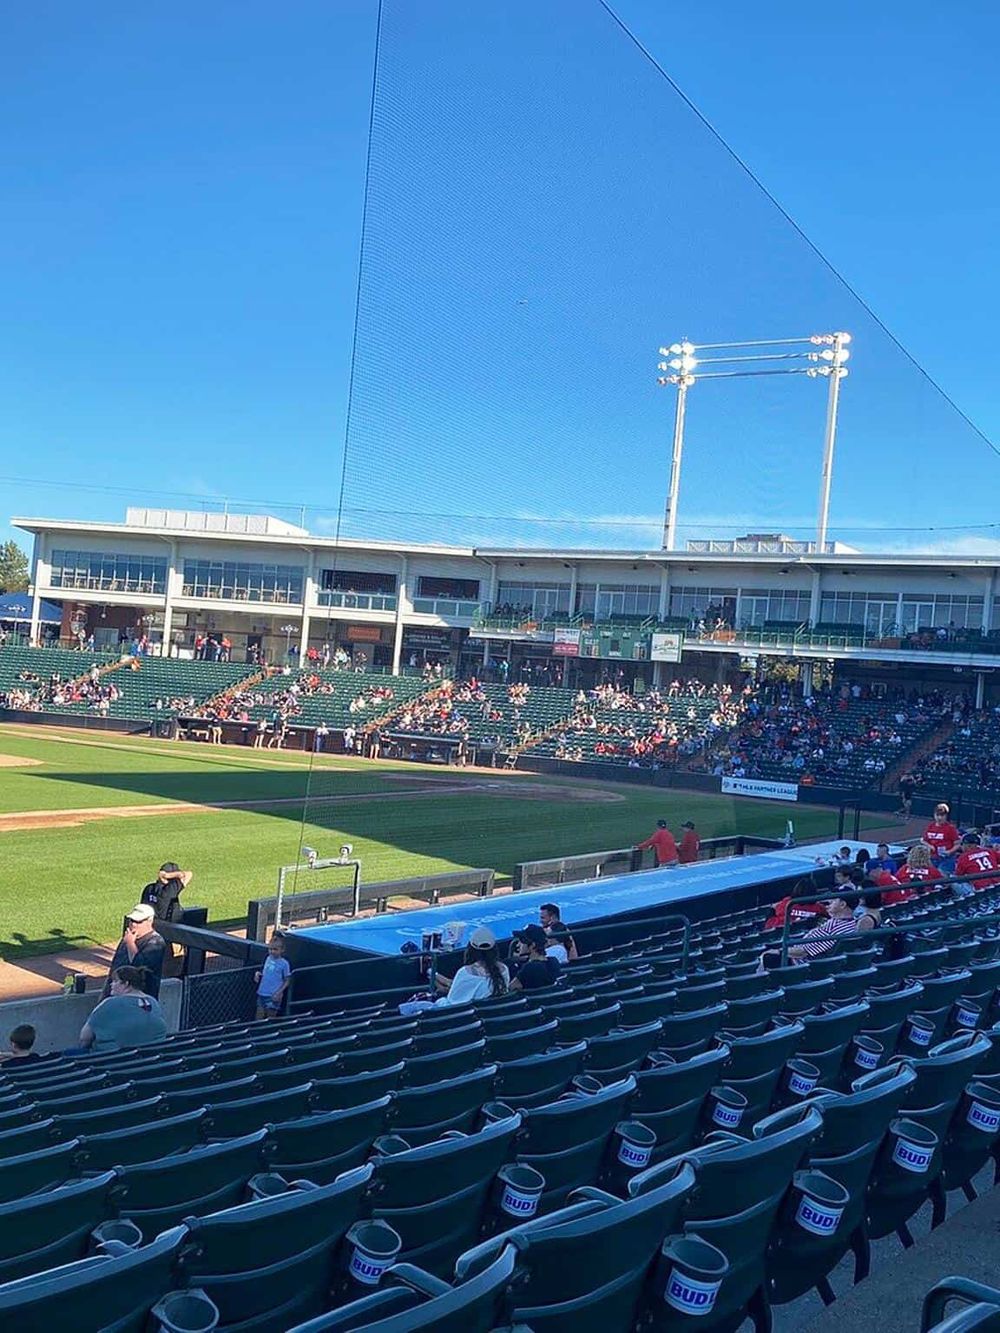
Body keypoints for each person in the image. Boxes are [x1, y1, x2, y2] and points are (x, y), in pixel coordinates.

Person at [398, 927, 509, 1014]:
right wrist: (432, 975)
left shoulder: (466, 972)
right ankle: (429, 971)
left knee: (416, 1001)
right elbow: (453, 988)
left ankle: (429, 971)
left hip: (454, 1016)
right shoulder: (504, 970)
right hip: (473, 1016)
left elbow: (451, 1001)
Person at [77, 966, 167, 1053]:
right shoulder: (153, 1002)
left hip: (110, 1062)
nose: (111, 984)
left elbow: (84, 1038)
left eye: (115, 981)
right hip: (149, 1060)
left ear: (126, 984)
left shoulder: (108, 1004)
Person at [104, 905, 166, 999]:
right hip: (114, 995)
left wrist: (130, 943)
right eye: (131, 920)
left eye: (138, 922)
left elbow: (140, 966)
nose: (133, 924)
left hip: (140, 1000)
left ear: (150, 921)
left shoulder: (156, 942)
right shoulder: (128, 938)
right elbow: (115, 966)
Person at [509, 925, 561, 990]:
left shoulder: (530, 967)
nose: (518, 944)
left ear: (532, 945)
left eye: (521, 941)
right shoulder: (553, 961)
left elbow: (511, 988)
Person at [254, 935, 292, 1019]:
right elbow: (262, 971)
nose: (272, 951)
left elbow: (287, 980)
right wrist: (257, 974)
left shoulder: (284, 964)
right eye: (270, 949)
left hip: (273, 996)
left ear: (282, 950)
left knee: (270, 1018)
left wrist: (279, 992)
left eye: (275, 949)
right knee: (258, 1018)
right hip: (262, 993)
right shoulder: (267, 958)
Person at [923, 803, 960, 871]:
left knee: (942, 875)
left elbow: (957, 844)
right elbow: (924, 840)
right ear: (934, 815)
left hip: (947, 858)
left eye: (942, 815)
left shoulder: (950, 828)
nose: (939, 817)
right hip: (933, 857)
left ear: (946, 816)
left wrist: (949, 851)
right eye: (937, 815)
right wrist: (930, 846)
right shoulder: (930, 826)